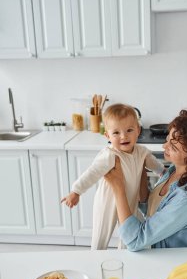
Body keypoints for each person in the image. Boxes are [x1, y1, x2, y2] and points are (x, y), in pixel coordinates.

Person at [104, 109, 187, 252]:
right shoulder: (174, 170)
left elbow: (135, 241)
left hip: (172, 265)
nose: (164, 146)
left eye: (173, 147)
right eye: (167, 139)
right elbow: (152, 211)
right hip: (153, 253)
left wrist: (118, 189)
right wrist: (140, 175)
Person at [61, 103, 165, 249]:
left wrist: (163, 172)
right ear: (107, 135)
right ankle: (96, 255)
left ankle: (125, 258)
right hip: (107, 201)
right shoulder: (109, 155)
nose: (123, 136)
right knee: (101, 233)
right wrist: (76, 191)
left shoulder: (142, 152)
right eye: (116, 133)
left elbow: (155, 165)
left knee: (128, 234)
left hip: (130, 200)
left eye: (129, 130)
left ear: (138, 131)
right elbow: (92, 173)